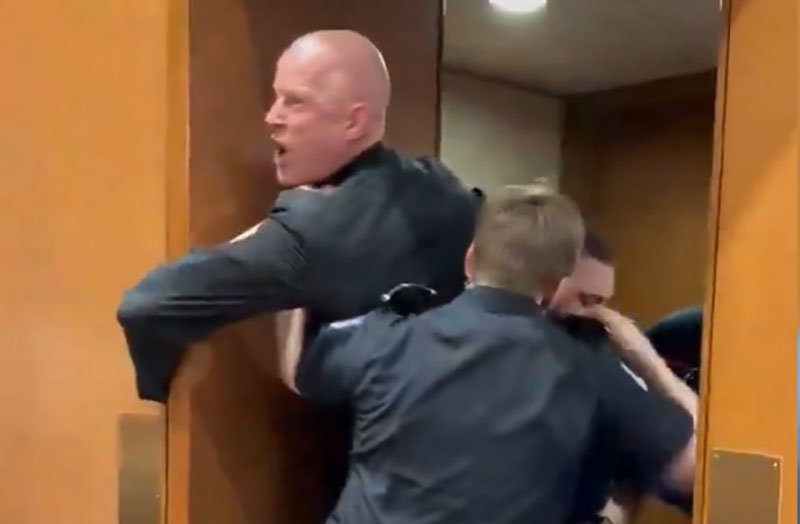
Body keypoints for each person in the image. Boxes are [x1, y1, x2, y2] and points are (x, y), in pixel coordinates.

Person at [279, 187, 696, 524]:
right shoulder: (589, 368)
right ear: (554, 286)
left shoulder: (387, 334)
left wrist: (298, 244)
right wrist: (647, 359)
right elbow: (695, 468)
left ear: (471, 260)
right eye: (588, 300)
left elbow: (298, 371)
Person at [116, 30, 481, 403]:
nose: (272, 117)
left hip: (383, 436)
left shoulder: (313, 229)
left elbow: (148, 305)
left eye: (295, 102)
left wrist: (165, 403)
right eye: (277, 98)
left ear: (353, 123)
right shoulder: (444, 186)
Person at [545, 232, 698, 522]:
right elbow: (702, 462)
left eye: (602, 303)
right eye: (589, 300)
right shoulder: (583, 354)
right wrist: (647, 359)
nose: (598, 314)